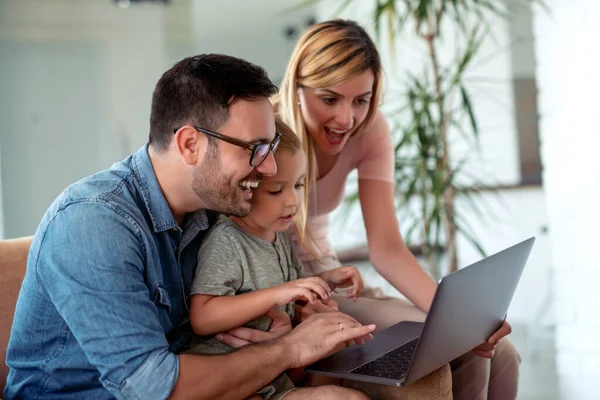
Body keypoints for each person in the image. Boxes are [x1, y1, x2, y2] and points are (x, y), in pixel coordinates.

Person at [4, 54, 376, 400]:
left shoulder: (213, 211)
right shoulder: (94, 222)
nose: (268, 169)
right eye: (255, 148)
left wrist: (292, 327)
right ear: (190, 145)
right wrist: (287, 349)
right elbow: (153, 388)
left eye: (270, 147)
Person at [272, 19, 521, 400]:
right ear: (297, 88)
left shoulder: (370, 130)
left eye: (361, 99)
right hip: (299, 291)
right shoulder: (266, 133)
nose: (346, 119)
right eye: (329, 99)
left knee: (495, 349)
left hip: (332, 278)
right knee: (453, 345)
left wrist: (459, 319)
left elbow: (386, 248)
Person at [183, 117, 365, 399]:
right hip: (238, 379)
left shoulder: (277, 233)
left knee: (340, 342)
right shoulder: (227, 240)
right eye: (277, 190)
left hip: (278, 373)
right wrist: (278, 293)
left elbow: (290, 287)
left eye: (299, 185)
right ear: (246, 186)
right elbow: (202, 316)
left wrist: (322, 280)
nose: (292, 201)